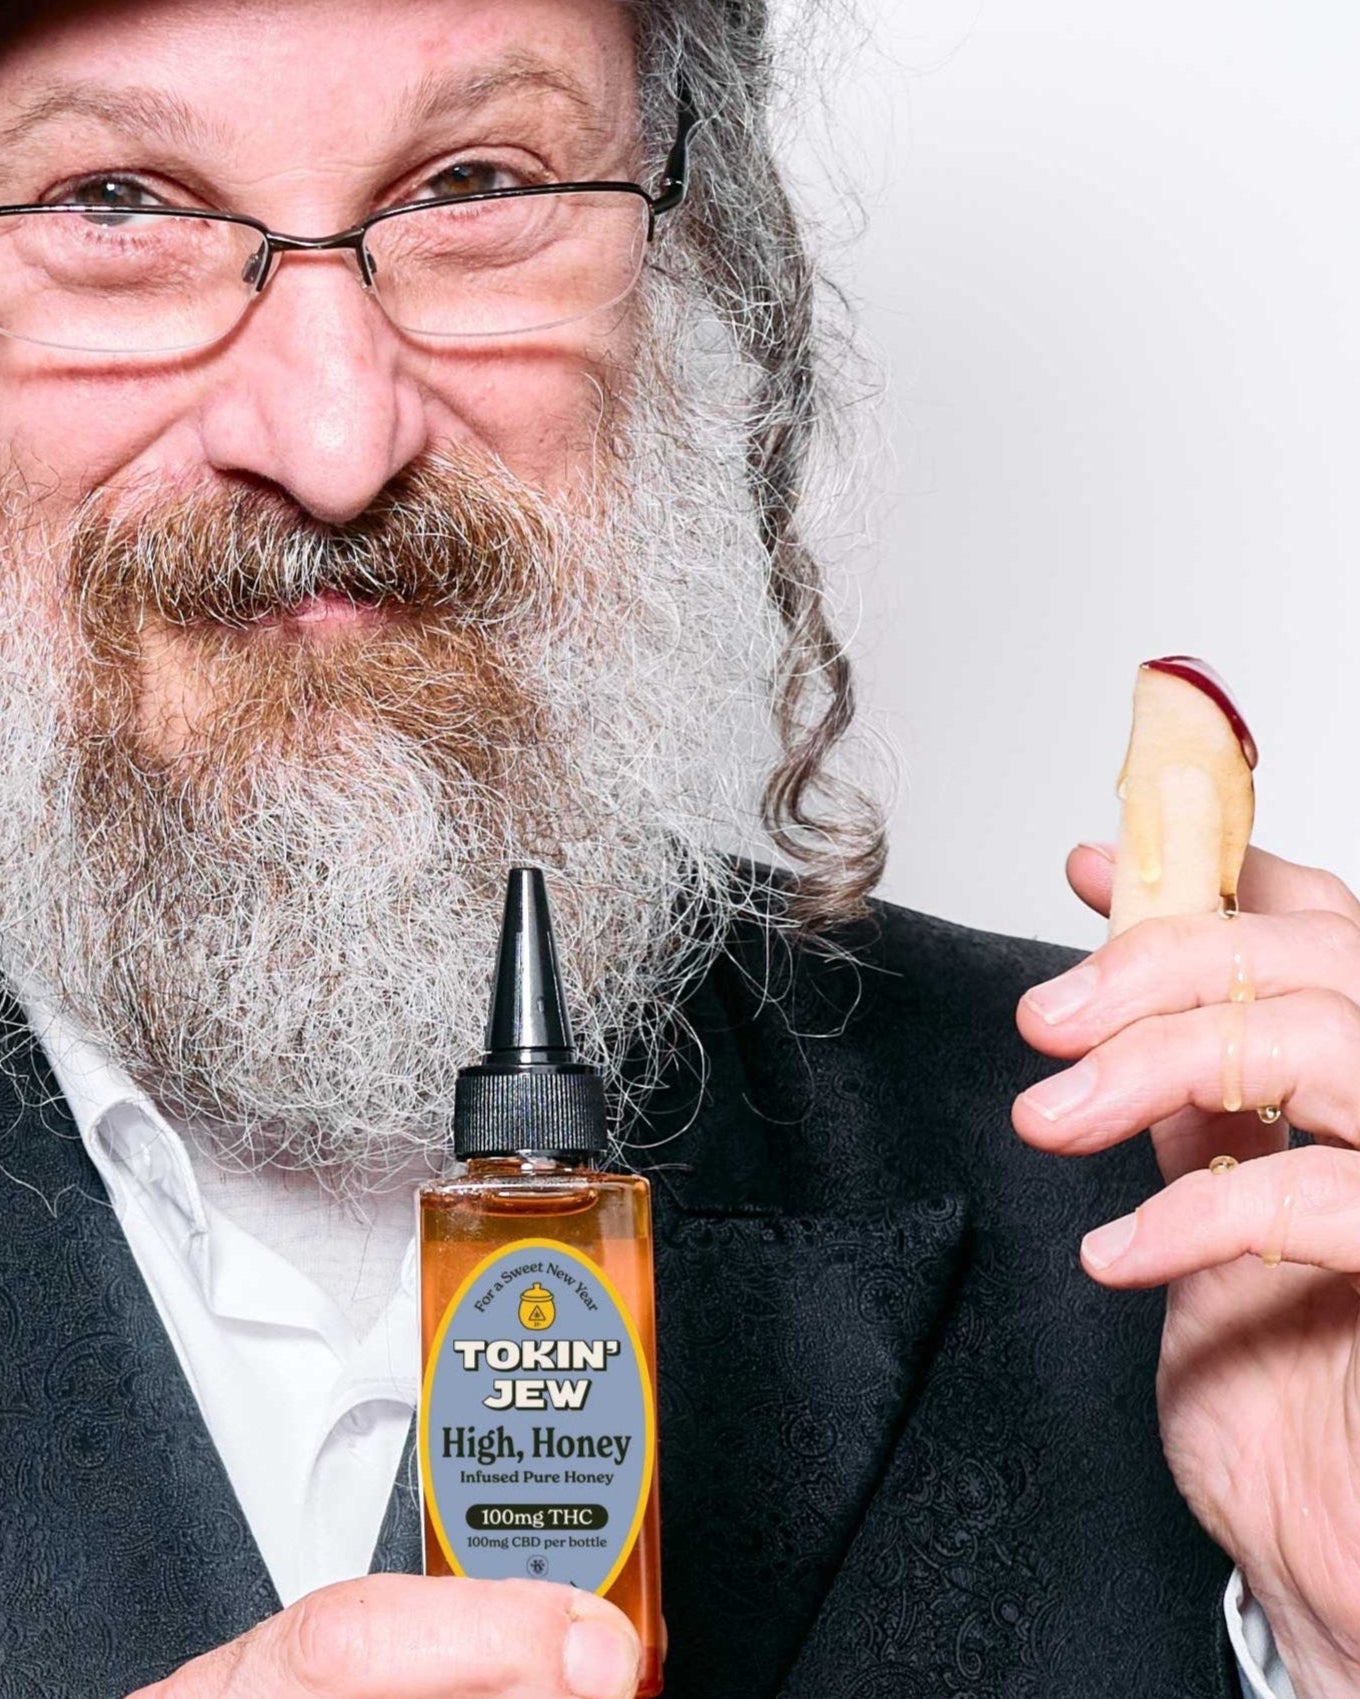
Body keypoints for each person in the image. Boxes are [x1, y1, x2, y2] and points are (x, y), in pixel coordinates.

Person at [0, 2, 1356, 1696]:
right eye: (115, 204)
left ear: (697, 261)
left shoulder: (1182, 1222)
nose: (334, 444)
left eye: (477, 185)